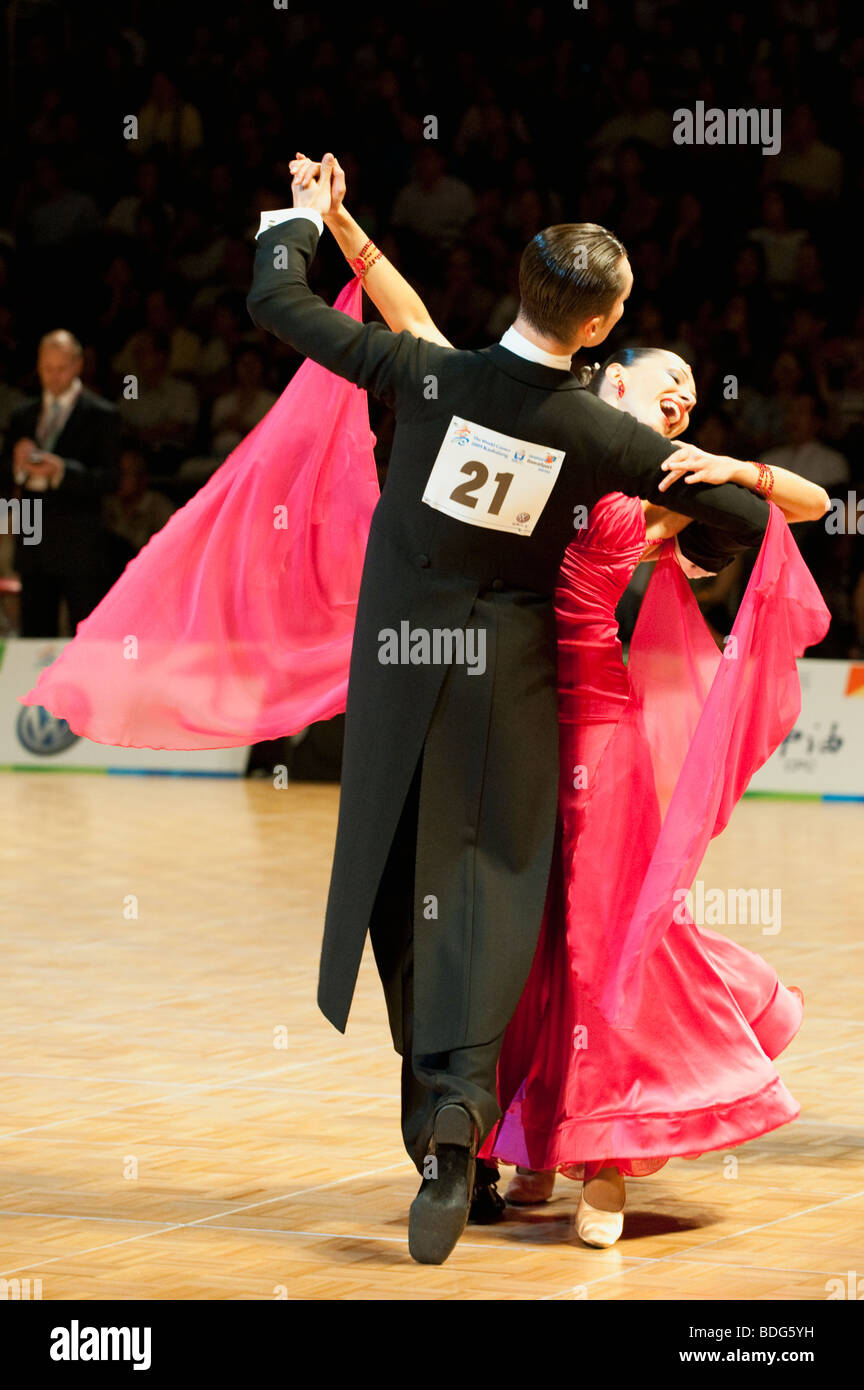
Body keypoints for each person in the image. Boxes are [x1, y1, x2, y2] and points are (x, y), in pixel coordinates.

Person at [246, 151, 771, 1265]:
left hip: (396, 678)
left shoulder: (428, 377)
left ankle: (447, 1135)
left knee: (402, 894)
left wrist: (304, 220)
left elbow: (276, 301)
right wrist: (700, 488)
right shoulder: (599, 433)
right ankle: (459, 1129)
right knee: (487, 899)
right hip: (516, 689)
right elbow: (740, 518)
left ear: (522, 291)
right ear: (602, 328)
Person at [0, 329, 119, 635]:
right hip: (33, 537)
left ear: (78, 364)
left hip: (78, 542)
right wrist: (18, 467)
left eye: (61, 368)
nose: (53, 377)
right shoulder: (22, 415)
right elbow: (5, 477)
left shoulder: (101, 414)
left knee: (85, 634)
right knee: (34, 633)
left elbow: (110, 479)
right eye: (46, 368)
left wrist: (62, 471)